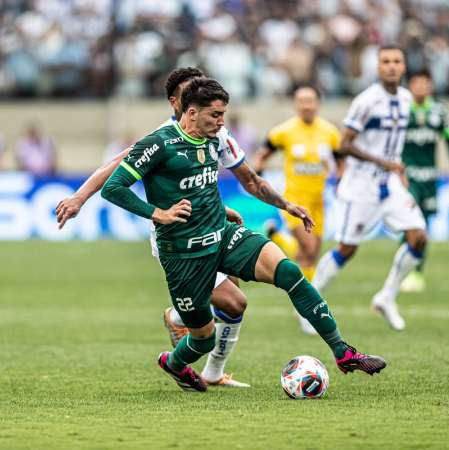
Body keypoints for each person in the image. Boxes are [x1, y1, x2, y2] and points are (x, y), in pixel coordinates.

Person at [99, 77, 386, 392]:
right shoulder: (158, 144)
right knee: (204, 338)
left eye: (223, 114)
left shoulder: (215, 137)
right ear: (191, 112)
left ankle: (343, 352)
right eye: (215, 115)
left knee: (289, 272)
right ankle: (174, 363)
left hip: (221, 235)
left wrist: (286, 204)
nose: (222, 122)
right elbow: (113, 187)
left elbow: (248, 180)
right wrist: (159, 214)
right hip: (183, 255)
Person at [56, 68, 252, 387]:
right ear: (176, 101)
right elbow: (115, 167)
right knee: (233, 302)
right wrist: (79, 197)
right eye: (190, 93)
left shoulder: (212, 127)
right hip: (179, 236)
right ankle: (186, 335)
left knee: (232, 301)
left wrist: (222, 209)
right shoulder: (162, 136)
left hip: (211, 225)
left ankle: (207, 361)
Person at [312, 45, 428, 331]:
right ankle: (309, 305)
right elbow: (345, 144)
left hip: (389, 185)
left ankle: (387, 296)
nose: (391, 66)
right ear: (377, 68)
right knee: (347, 249)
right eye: (385, 61)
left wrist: (395, 167)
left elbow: (392, 143)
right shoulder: (366, 101)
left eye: (397, 61)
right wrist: (382, 162)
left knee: (419, 237)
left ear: (404, 66)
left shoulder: (405, 98)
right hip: (361, 185)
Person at [252, 86, 342, 334]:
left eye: (310, 101)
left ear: (317, 104)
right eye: (301, 101)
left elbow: (340, 157)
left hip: (318, 201)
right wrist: (258, 174)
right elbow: (264, 152)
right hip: (294, 200)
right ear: (295, 104)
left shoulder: (330, 132)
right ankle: (308, 306)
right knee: (310, 249)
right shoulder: (285, 131)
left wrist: (341, 177)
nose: (306, 105)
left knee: (309, 255)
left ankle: (276, 238)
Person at [400, 69, 449, 292]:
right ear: (410, 87)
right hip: (407, 176)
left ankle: (416, 272)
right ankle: (405, 272)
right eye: (415, 84)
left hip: (430, 176)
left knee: (424, 225)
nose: (420, 88)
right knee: (411, 222)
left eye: (424, 84)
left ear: (430, 87)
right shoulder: (402, 109)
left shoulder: (439, 111)